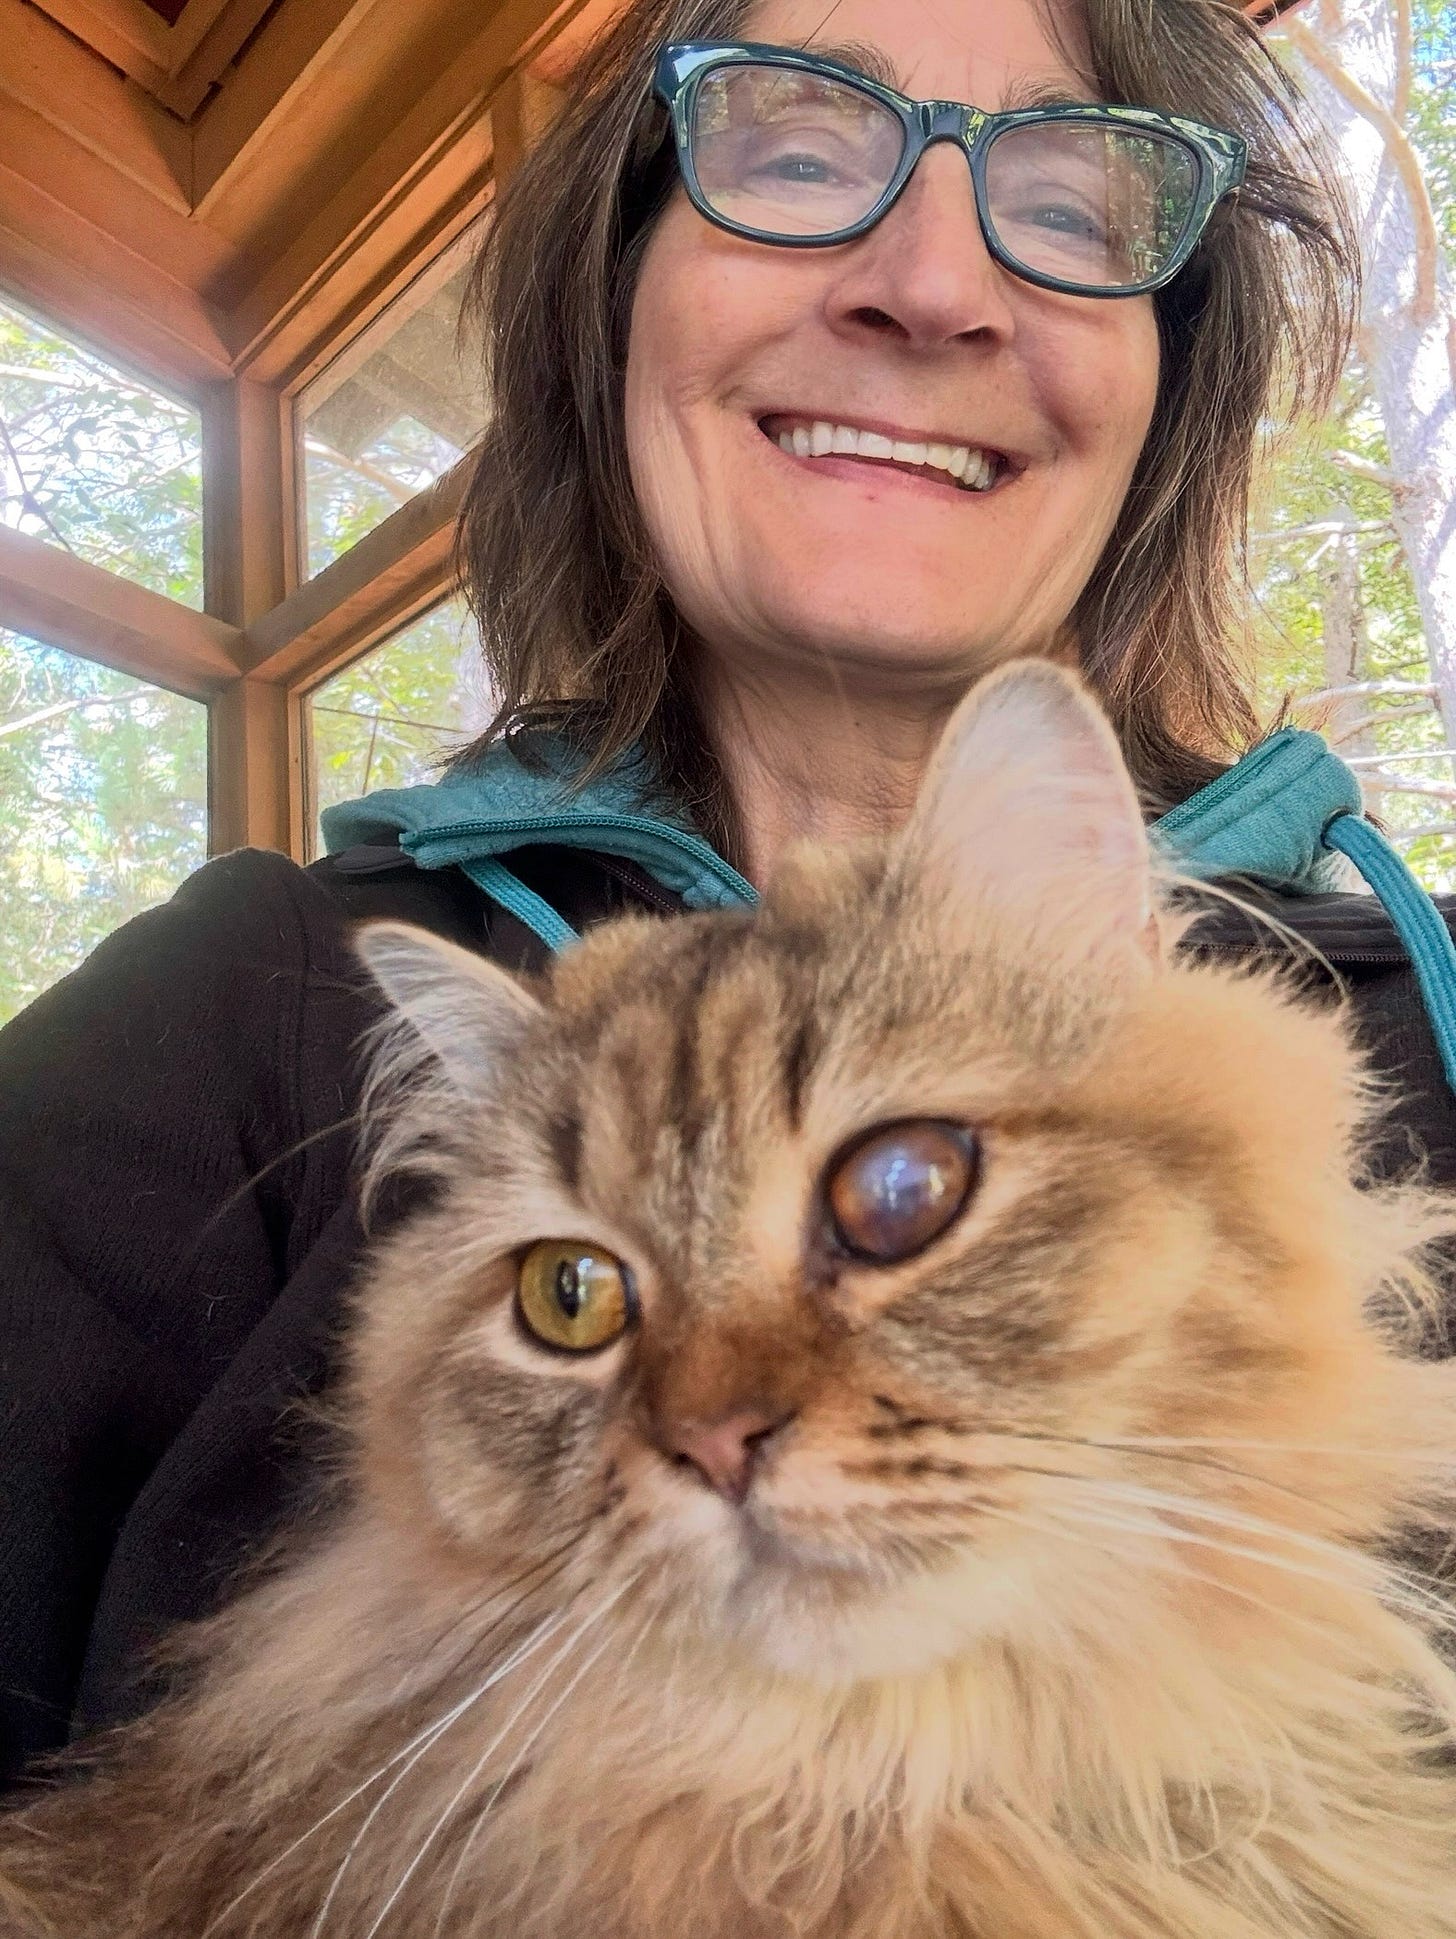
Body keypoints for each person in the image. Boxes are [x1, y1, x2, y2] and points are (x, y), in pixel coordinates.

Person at [2, 0, 1453, 1787]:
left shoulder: (1412, 999)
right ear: (615, 307)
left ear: (1167, 384)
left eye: (1072, 208)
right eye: (793, 152)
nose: (932, 284)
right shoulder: (237, 1012)